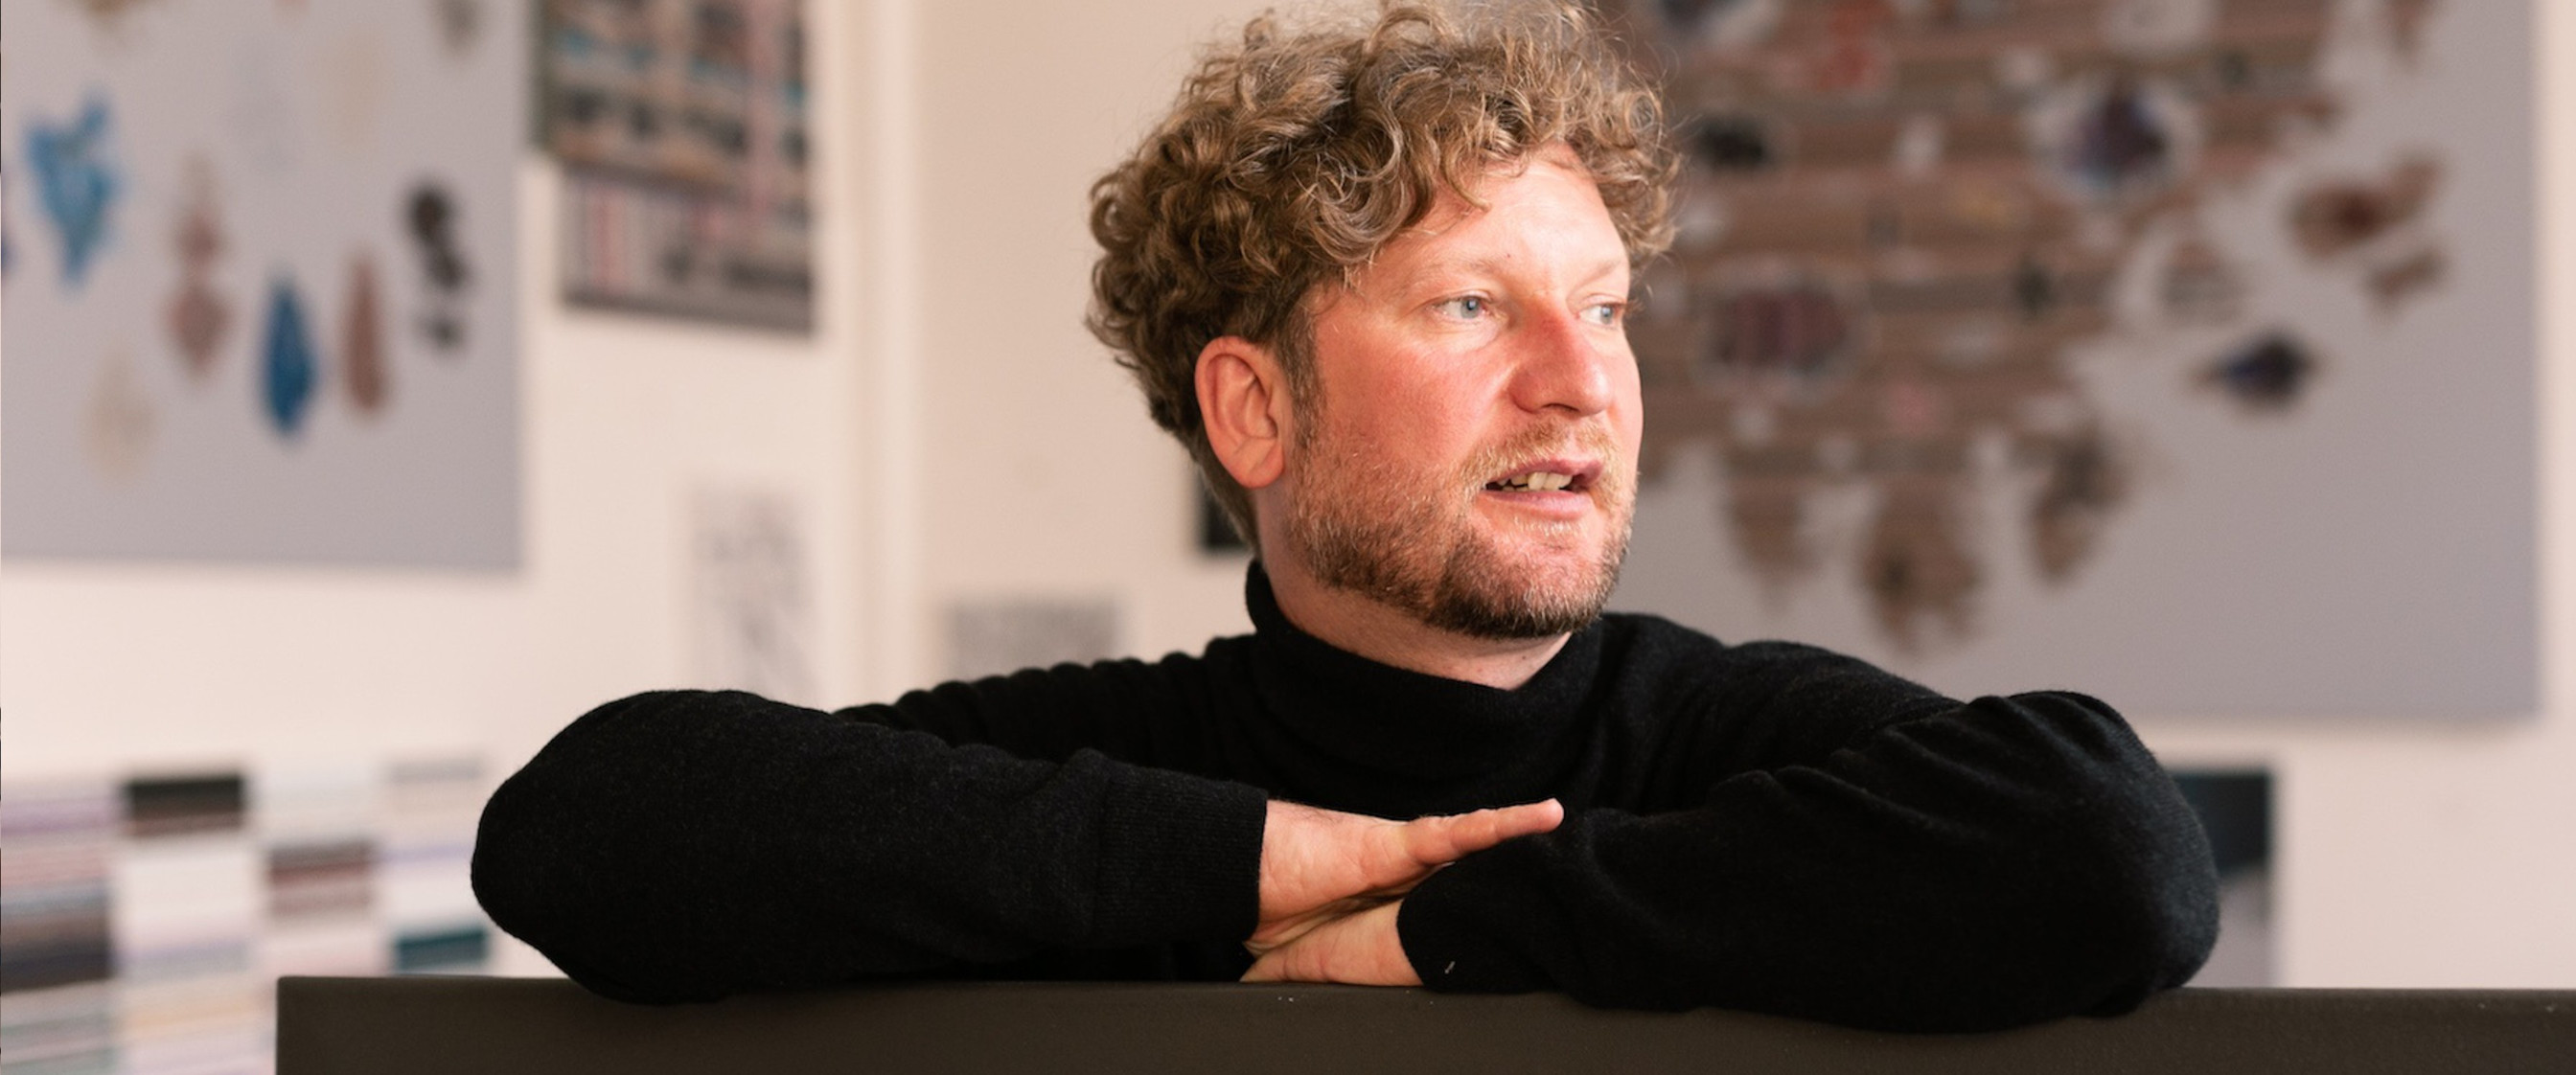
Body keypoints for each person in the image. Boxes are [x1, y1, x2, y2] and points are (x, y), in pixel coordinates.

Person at [472, 0, 2217, 1034]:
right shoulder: (1116, 766)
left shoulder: (1726, 744)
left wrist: (1454, 926)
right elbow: (587, 825)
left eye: (1605, 309)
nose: (1581, 383)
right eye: (1472, 306)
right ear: (1255, 408)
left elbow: (2116, 854)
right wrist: (1246, 863)